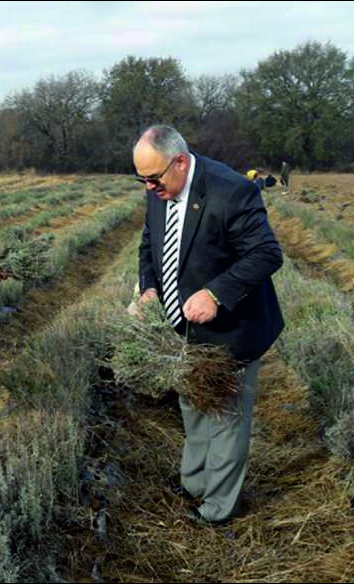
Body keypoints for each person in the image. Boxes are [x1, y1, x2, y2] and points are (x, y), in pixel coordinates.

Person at [133, 124, 284, 526]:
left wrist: (215, 294)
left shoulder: (231, 191)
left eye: (153, 178)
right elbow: (149, 245)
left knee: (227, 419)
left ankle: (217, 509)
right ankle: (194, 483)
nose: (148, 188)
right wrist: (150, 289)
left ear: (179, 162)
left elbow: (267, 254)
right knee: (193, 405)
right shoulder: (160, 188)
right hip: (183, 331)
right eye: (141, 179)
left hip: (232, 330)